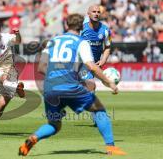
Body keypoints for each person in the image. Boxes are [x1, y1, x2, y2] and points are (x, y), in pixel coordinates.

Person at [18, 13, 126, 156]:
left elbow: (41, 67)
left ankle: (34, 138)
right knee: (99, 110)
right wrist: (110, 83)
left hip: (50, 88)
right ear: (82, 27)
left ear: (66, 25)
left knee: (54, 124)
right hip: (70, 86)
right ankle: (111, 148)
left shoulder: (52, 41)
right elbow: (92, 66)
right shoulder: (81, 42)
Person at [79, 4, 112, 126]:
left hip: (96, 63)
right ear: (88, 14)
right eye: (94, 11)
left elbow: (107, 47)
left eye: (98, 12)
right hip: (82, 63)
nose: (96, 13)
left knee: (89, 88)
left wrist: (103, 60)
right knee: (91, 85)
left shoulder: (105, 30)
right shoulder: (81, 29)